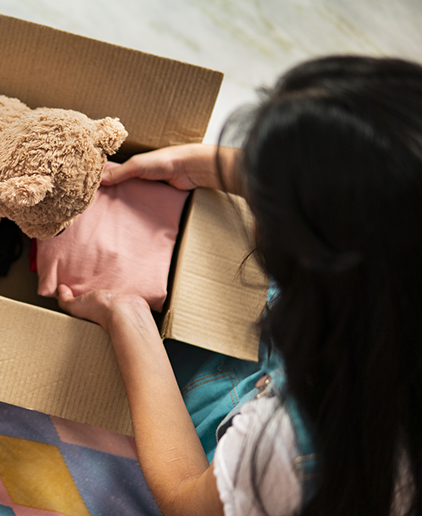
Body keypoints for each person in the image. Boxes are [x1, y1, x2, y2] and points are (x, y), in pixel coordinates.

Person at [58, 55, 422, 516]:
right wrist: (204, 164)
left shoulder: (298, 446)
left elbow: (190, 502)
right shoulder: (393, 274)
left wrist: (129, 321)